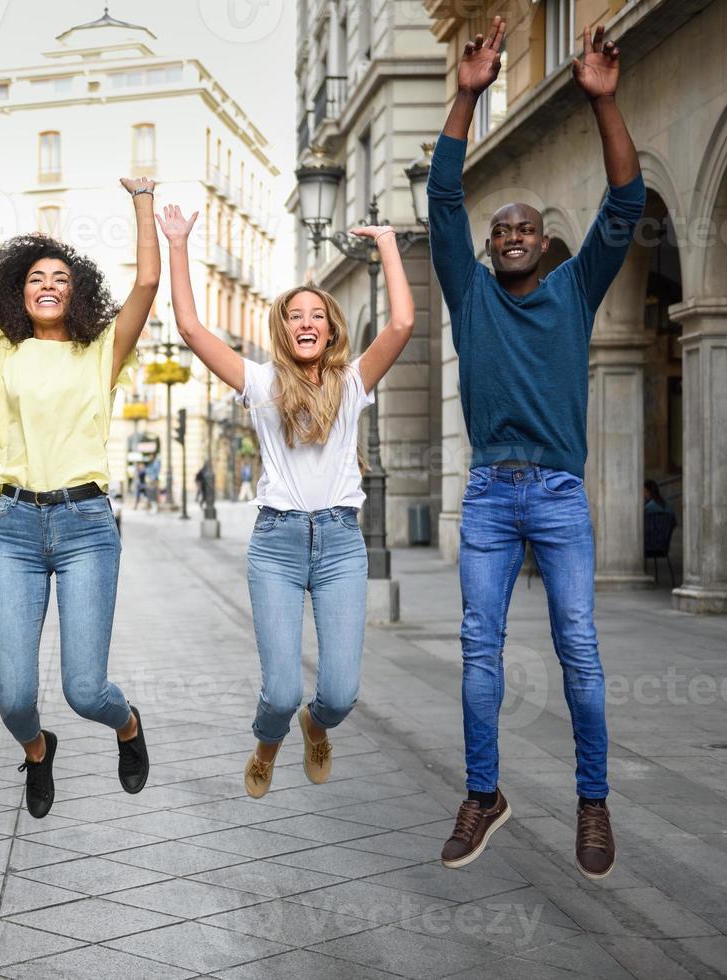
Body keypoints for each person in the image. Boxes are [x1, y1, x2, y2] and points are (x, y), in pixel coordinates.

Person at [429, 17, 642, 880]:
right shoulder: (468, 294)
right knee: (479, 645)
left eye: (526, 227)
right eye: (500, 228)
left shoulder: (573, 290)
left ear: (546, 245)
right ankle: (484, 794)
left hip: (555, 494)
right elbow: (442, 198)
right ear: (486, 248)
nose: (511, 233)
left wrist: (603, 103)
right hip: (486, 494)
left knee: (578, 647)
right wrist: (467, 96)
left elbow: (624, 204)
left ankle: (592, 804)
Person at [156, 204, 414, 799]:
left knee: (341, 692)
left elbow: (401, 323)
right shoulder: (260, 383)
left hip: (342, 546)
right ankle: (268, 742)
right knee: (279, 691)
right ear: (283, 328)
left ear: (330, 329)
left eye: (316, 315)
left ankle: (314, 729)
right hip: (276, 544)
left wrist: (388, 244)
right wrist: (177, 242)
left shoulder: (353, 383)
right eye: (294, 315)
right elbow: (193, 329)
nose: (305, 322)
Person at [0, 157, 157, 818]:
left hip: (86, 526)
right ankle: (38, 751)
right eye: (36, 277)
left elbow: (148, 282)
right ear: (18, 289)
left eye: (59, 278)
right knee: (12, 697)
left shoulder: (100, 354)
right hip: (12, 528)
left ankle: (126, 727)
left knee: (85, 689)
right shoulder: (0, 352)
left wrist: (143, 200)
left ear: (76, 293)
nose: (46, 284)